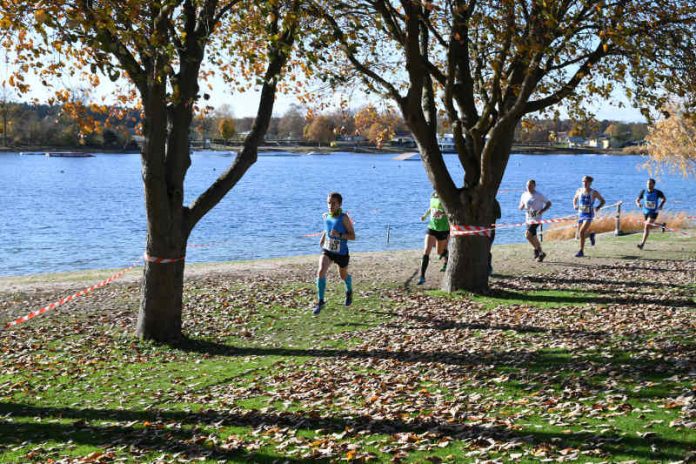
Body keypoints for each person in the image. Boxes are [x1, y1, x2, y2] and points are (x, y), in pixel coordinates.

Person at [313, 192, 355, 315]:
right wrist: (323, 238)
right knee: (321, 271)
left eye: (333, 203)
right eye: (328, 203)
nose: (330, 206)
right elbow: (327, 229)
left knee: (343, 276)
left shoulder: (344, 218)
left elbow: (353, 236)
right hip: (328, 250)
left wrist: (340, 235)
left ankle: (349, 291)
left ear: (339, 204)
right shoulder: (326, 216)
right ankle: (320, 301)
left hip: (341, 253)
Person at [417, 191, 449, 285]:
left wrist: (442, 213)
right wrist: (425, 216)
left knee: (439, 252)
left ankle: (447, 259)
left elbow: (452, 211)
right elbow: (431, 208)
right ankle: (422, 277)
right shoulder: (433, 195)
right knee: (426, 251)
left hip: (443, 229)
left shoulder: (446, 196)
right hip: (431, 227)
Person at [518, 179, 552, 262]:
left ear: (534, 186)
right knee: (533, 237)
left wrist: (542, 210)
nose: (529, 187)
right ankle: (539, 252)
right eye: (527, 185)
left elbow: (549, 203)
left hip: (536, 219)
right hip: (528, 218)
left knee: (527, 235)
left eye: (530, 185)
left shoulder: (538, 195)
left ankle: (539, 251)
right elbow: (521, 204)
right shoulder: (524, 195)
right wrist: (521, 207)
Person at [572, 175, 605, 257]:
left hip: (589, 214)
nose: (584, 183)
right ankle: (591, 234)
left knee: (582, 232)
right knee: (580, 234)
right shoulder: (579, 190)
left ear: (590, 183)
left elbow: (603, 201)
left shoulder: (594, 192)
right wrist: (574, 205)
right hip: (580, 213)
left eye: (586, 182)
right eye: (583, 181)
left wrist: (597, 207)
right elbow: (574, 199)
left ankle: (581, 251)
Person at [635, 178, 666, 250]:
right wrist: (638, 204)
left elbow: (664, 199)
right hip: (645, 211)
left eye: (650, 184)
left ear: (653, 184)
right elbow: (637, 200)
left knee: (646, 225)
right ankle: (662, 225)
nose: (648, 185)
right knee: (648, 227)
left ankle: (642, 244)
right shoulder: (643, 192)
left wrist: (661, 205)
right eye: (647, 183)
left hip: (654, 211)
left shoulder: (658, 192)